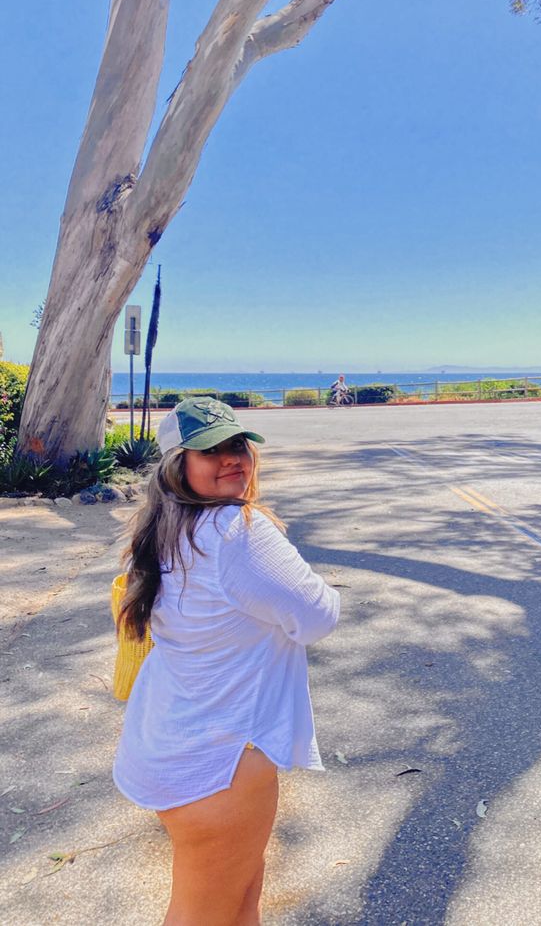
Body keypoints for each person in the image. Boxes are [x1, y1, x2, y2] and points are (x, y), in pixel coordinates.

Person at [112, 397, 340, 926]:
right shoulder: (239, 531)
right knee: (202, 915)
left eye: (237, 444)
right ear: (177, 467)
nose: (231, 458)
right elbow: (319, 615)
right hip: (219, 768)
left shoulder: (164, 530)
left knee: (239, 904)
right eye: (209, 450)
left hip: (177, 745)